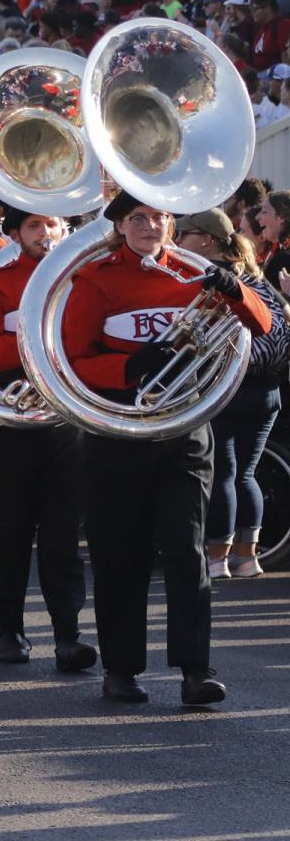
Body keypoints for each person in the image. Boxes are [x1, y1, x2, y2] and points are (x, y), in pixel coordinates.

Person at [62, 191, 272, 706]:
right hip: (119, 432)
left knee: (186, 550)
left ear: (170, 224)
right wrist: (128, 367)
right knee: (120, 555)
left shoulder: (194, 274)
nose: (151, 227)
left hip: (185, 432)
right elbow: (68, 361)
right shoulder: (95, 279)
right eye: (139, 218)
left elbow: (263, 326)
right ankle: (122, 669)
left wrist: (236, 292)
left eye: (158, 217)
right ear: (121, 227)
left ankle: (195, 670)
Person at [0, 206, 97, 670]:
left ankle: (68, 636)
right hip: (16, 422)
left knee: (63, 533)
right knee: (14, 530)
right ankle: (10, 630)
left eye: (53, 223)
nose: (46, 232)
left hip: (68, 422)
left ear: (66, 227)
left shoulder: (85, 279)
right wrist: (41, 343)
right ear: (16, 234)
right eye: (34, 225)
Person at [173, 209, 290, 580]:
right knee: (247, 473)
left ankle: (217, 559)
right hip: (268, 391)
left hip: (229, 388)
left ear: (207, 239)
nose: (177, 241)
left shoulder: (214, 280)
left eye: (184, 234)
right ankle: (246, 558)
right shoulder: (258, 279)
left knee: (224, 472)